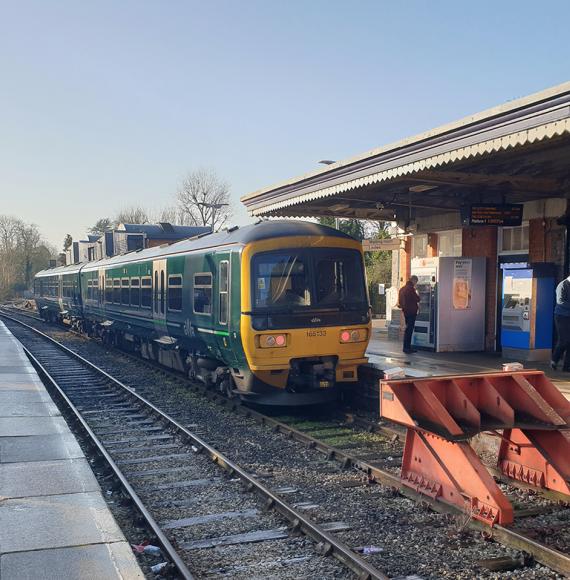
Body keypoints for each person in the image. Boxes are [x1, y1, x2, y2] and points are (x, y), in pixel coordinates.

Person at [551, 275, 570, 371]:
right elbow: (560, 301)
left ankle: (567, 366)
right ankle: (554, 359)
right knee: (564, 339)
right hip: (561, 316)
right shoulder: (562, 285)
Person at [398, 275, 420, 354]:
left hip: (406, 312)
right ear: (413, 281)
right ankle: (407, 348)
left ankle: (406, 347)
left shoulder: (402, 289)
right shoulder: (411, 289)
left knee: (408, 329)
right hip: (412, 312)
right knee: (409, 330)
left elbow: (400, 302)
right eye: (416, 282)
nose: (416, 284)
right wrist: (416, 291)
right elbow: (417, 299)